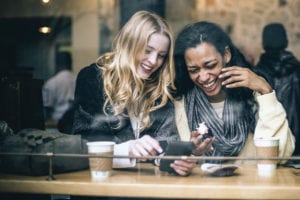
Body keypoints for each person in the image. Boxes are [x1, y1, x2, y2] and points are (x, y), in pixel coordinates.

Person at [72, 10, 196, 176]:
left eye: (161, 56)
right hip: (102, 185)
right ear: (129, 43)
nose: (153, 61)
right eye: (147, 50)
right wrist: (127, 149)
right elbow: (84, 144)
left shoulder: (160, 87)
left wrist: (171, 160)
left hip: (143, 187)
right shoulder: (93, 79)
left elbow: (164, 143)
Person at [173, 21, 295, 164]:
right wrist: (192, 153)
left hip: (251, 185)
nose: (204, 77)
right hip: (203, 186)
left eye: (211, 65)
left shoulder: (252, 97)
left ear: (226, 55)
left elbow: (281, 154)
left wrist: (265, 91)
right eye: (194, 70)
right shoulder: (181, 105)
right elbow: (177, 163)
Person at [255, 23, 300, 156]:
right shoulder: (297, 70)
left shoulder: (257, 75)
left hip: (270, 140)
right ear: (286, 41)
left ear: (263, 43)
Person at [42, 52, 76, 130]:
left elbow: (46, 108)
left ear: (57, 64)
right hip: (74, 125)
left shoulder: (52, 82)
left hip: (54, 127)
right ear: (71, 62)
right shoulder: (79, 79)